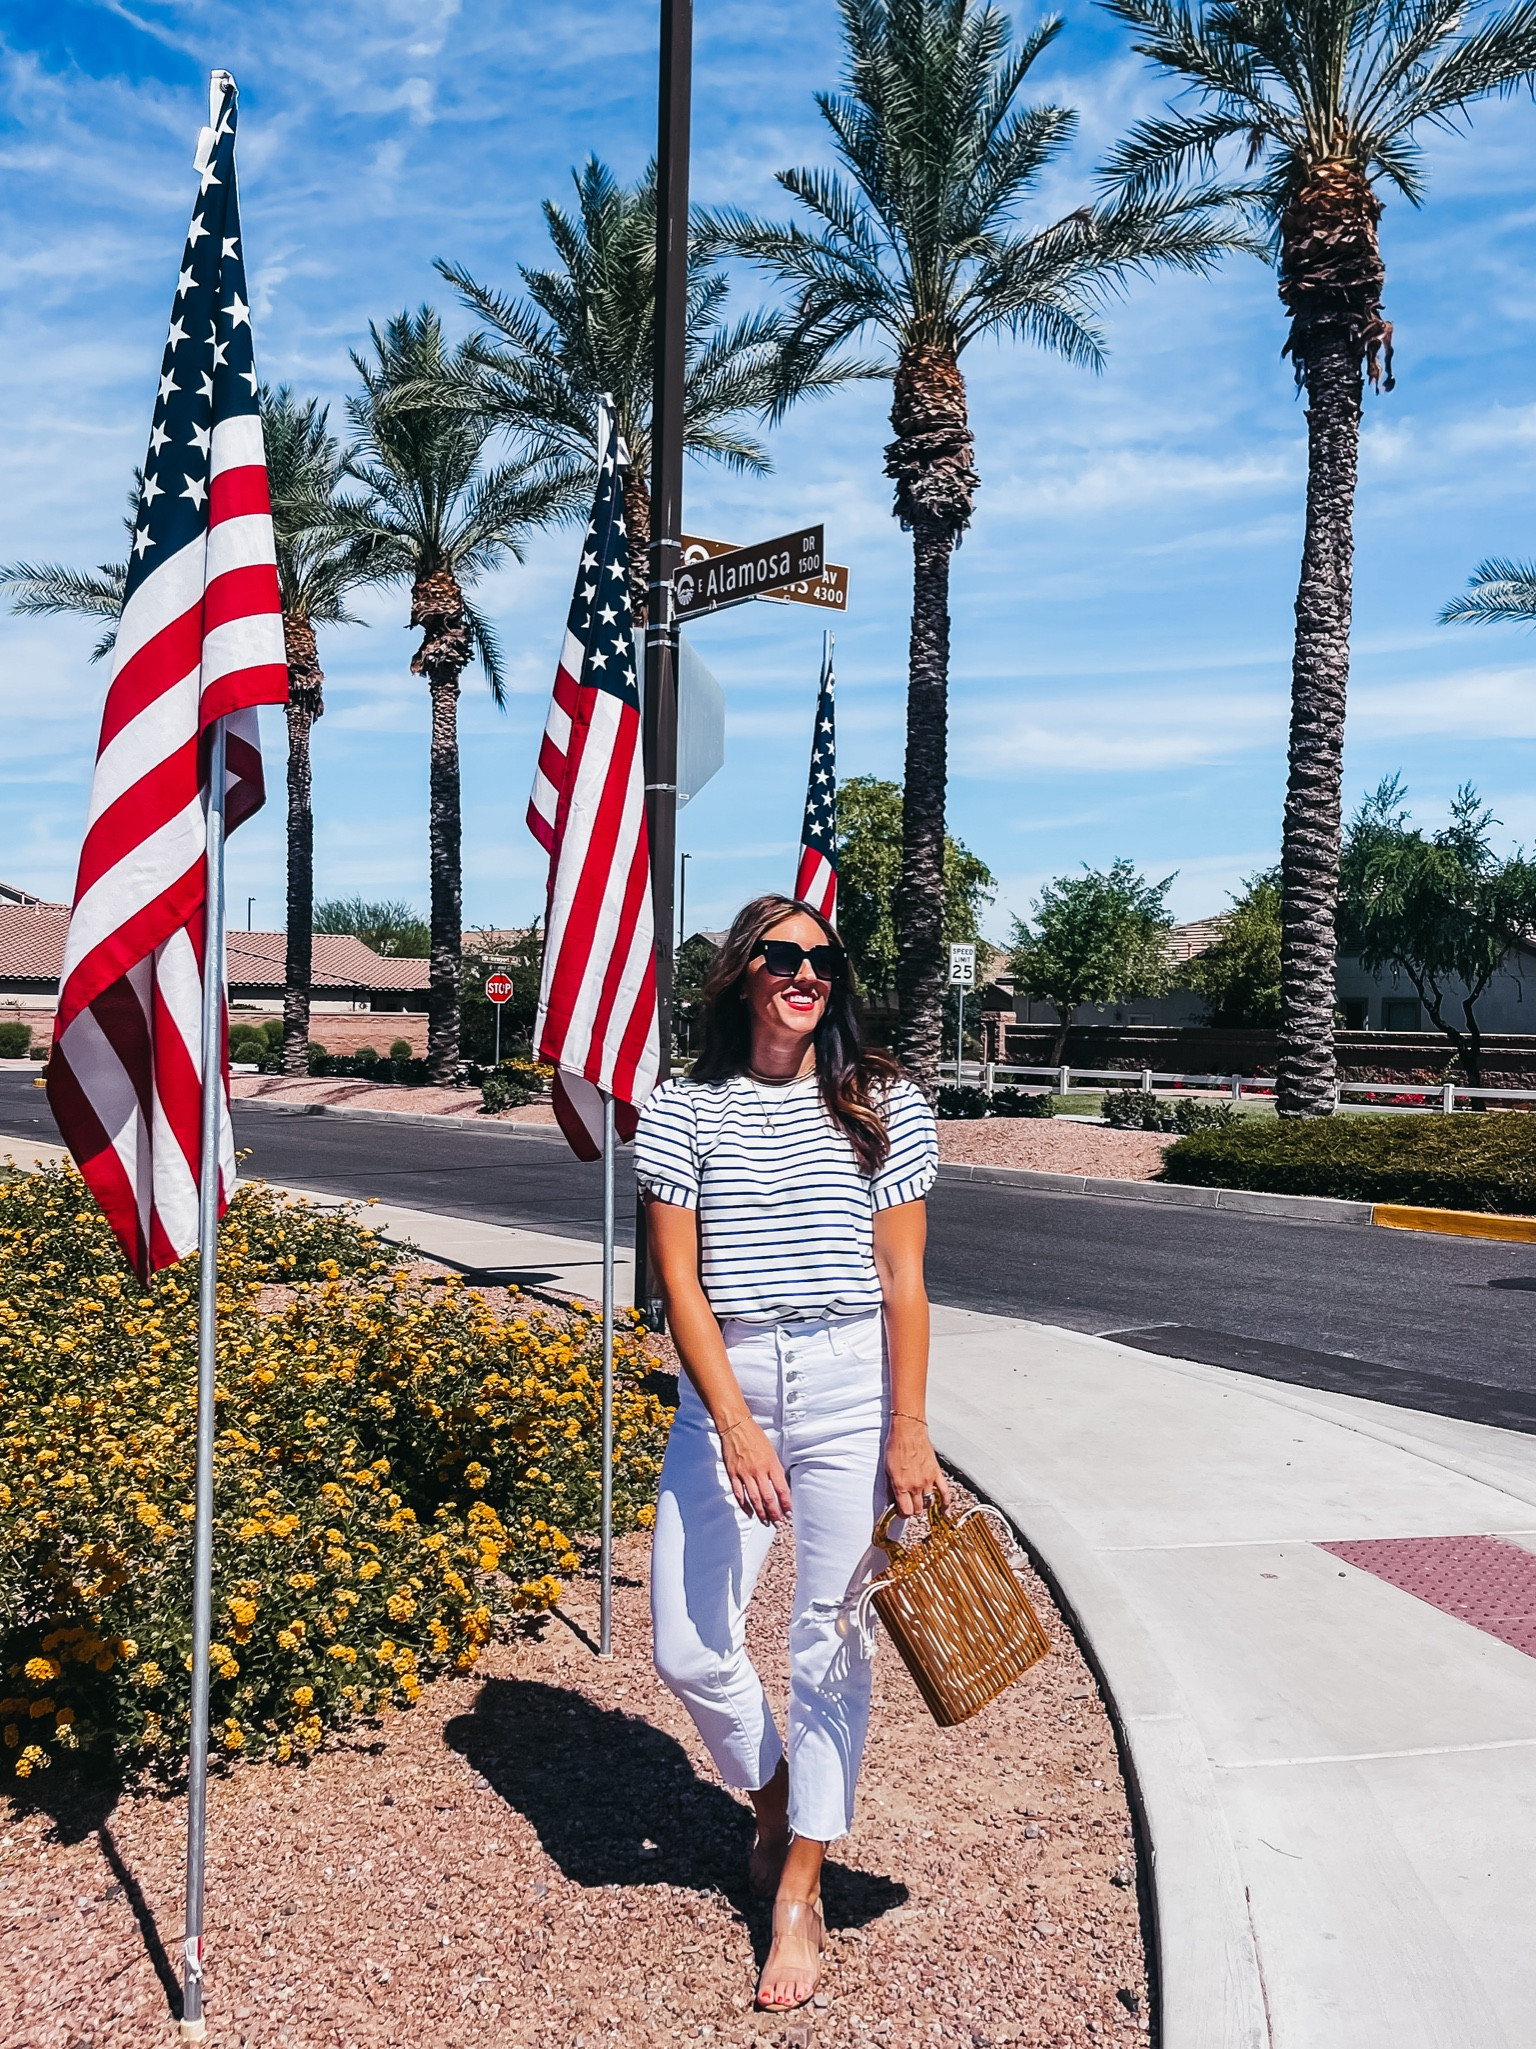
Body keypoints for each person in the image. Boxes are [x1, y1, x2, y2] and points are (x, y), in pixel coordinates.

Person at [637, 893, 950, 2012]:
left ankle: (800, 1888)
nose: (805, 973)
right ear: (743, 974)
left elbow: (904, 1280)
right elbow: (679, 1284)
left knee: (829, 1637)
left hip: (850, 1379)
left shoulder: (883, 1102)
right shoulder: (683, 1108)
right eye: (782, 956)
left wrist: (909, 1427)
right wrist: (732, 1421)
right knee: (687, 1645)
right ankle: (772, 1794)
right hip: (728, 1384)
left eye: (823, 958)